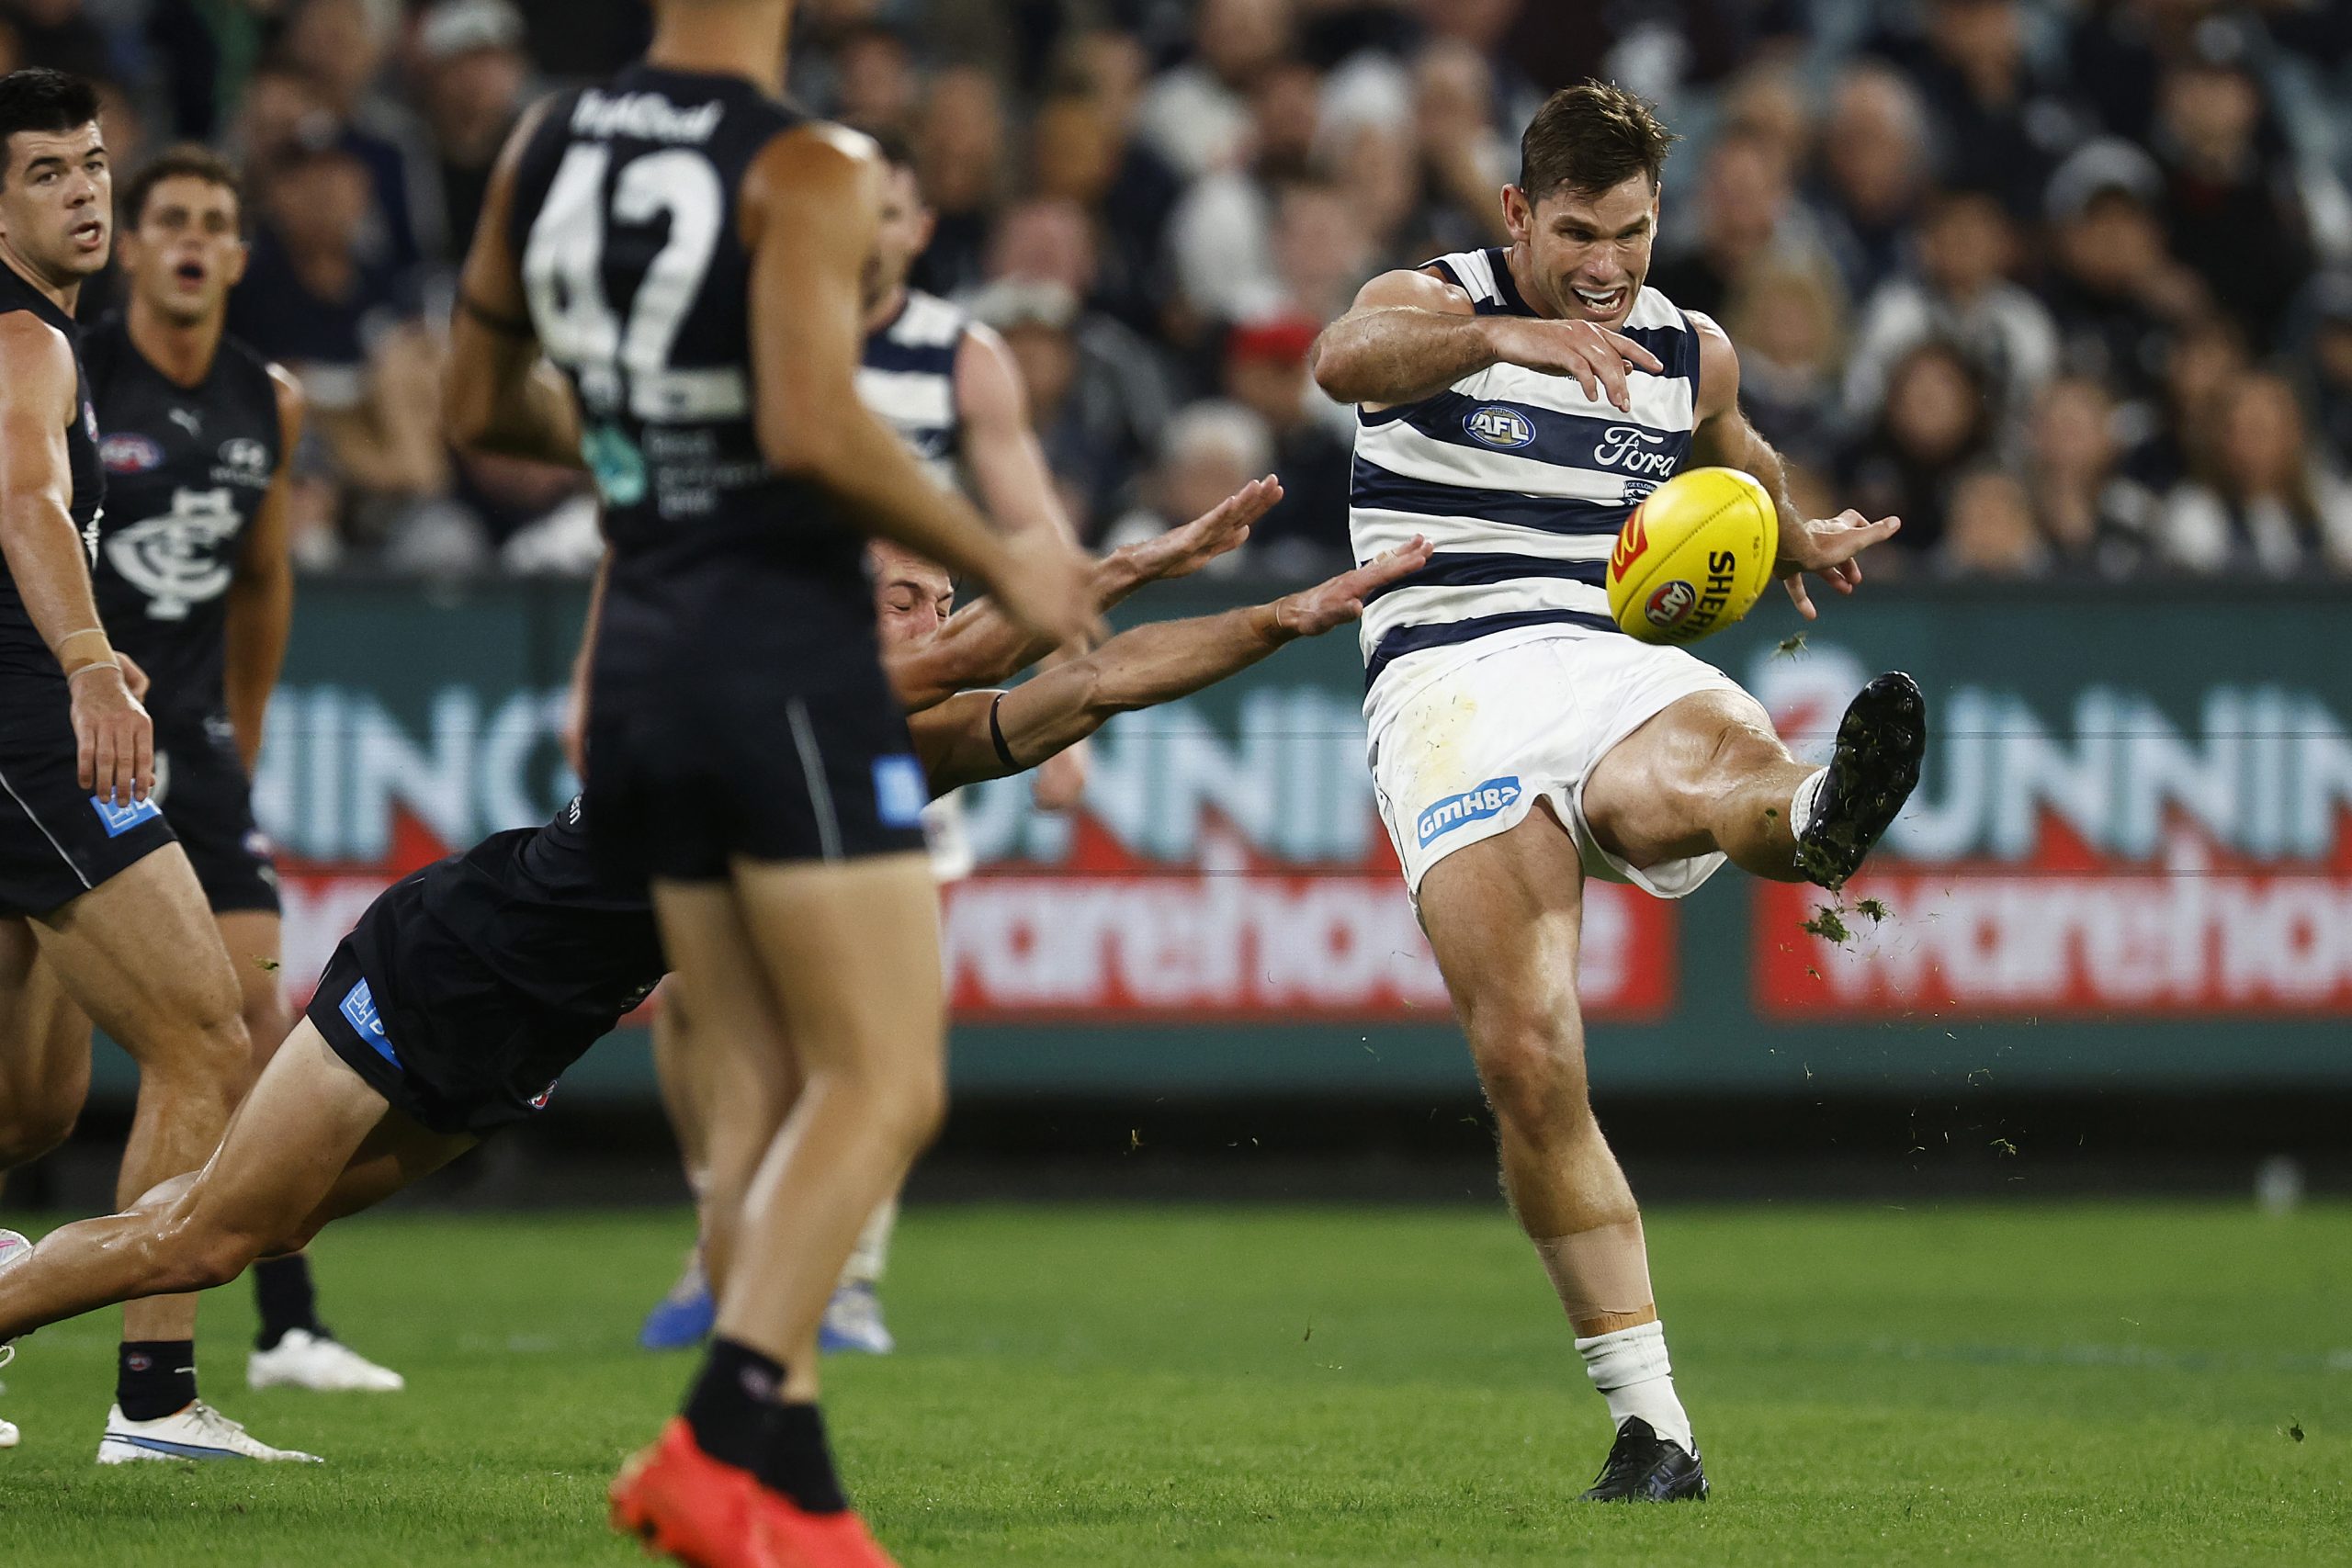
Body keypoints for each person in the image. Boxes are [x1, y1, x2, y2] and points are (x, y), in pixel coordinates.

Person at [0, 524, 1429, 1483]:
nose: (935, 616)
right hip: (445, 968)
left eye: (940, 596)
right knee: (208, 1232)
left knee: (269, 1225)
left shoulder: (885, 743)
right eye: (911, 593)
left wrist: (1284, 615)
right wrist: (1122, 561)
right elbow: (989, 656)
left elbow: (1094, 688)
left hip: (530, 1028)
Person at [441, 2, 1099, 1560]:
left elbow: (475, 405)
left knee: (752, 1099)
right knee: (881, 1079)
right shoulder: (805, 159)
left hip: (649, 656)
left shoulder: (545, 144)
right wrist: (1000, 556)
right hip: (773, 656)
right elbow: (811, 426)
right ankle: (721, 1430)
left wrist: (638, 449)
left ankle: (794, 1493)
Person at [1309, 81, 1921, 1503]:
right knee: (1528, 1055)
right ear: (1518, 213)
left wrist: (1789, 532)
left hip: (1606, 659)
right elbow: (1348, 356)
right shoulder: (1431, 299)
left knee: (1714, 772)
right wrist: (1506, 333)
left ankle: (1816, 810)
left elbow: (1741, 459)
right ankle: (1657, 1429)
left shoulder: (1683, 345)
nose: (1606, 267)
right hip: (1448, 684)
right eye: (1577, 233)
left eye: (1633, 234)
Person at [637, 130, 1095, 1359]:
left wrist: (1065, 702)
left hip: (896, 703)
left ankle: (848, 1274)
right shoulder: (760, 344)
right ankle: (723, 1231)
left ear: (912, 228)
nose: (869, 231)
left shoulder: (961, 357)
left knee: (871, 1006)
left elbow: (1033, 530)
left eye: (888, 210)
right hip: (741, 699)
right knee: (691, 990)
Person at [0, 69, 309, 1463]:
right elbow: (27, 497)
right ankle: (158, 1400)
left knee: (30, 1104)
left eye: (90, 164)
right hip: (30, 736)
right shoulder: (29, 346)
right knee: (204, 1031)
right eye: (46, 173)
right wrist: (81, 660)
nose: (85, 194)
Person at [81, 144, 401, 1394]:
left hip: (198, 755)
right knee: (37, 1082)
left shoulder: (266, 398)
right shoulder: (76, 375)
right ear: (136, 242)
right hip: (79, 741)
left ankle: (286, 1320)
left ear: (239, 253)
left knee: (260, 1018)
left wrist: (241, 737)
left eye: (215, 221)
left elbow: (264, 580)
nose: (193, 241)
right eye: (171, 220)